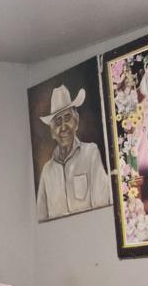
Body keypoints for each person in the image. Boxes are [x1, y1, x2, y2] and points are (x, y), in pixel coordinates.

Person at [36, 84, 111, 220]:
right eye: (58, 122)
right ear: (53, 132)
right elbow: (40, 218)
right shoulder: (47, 171)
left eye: (67, 118)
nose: (63, 127)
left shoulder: (91, 154)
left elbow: (103, 204)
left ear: (76, 123)